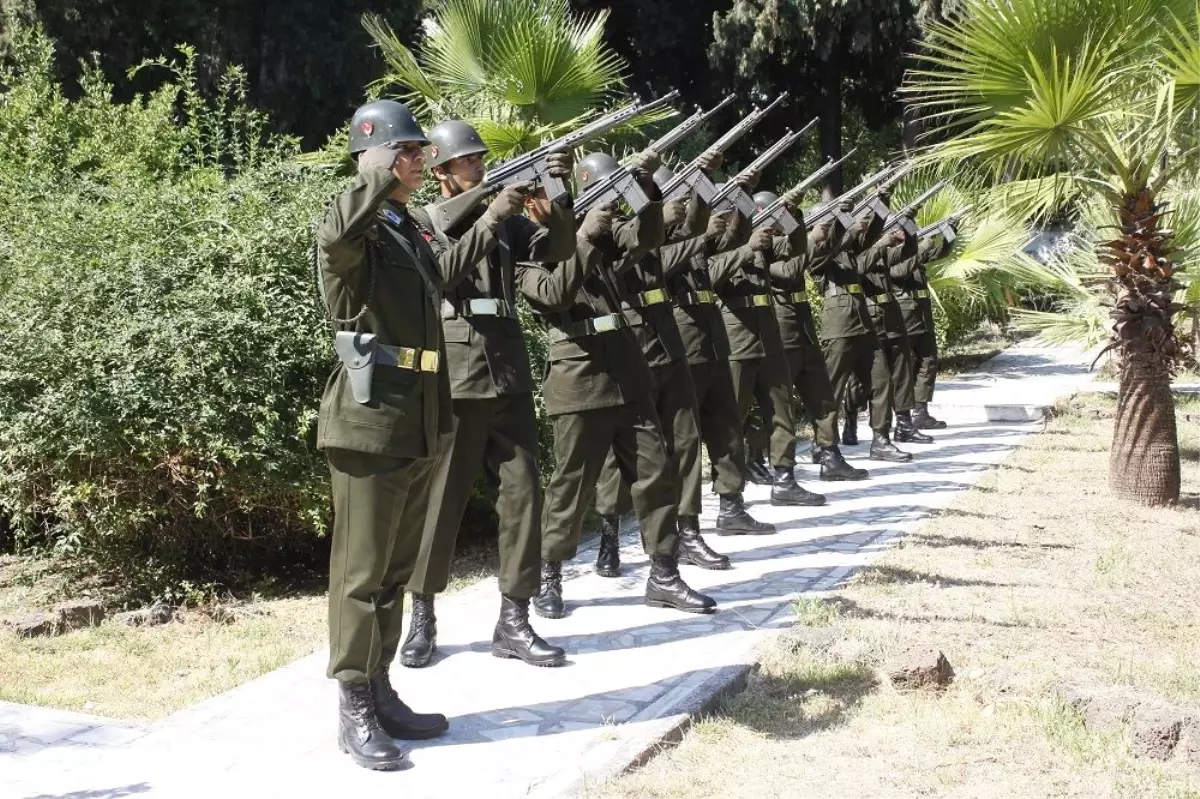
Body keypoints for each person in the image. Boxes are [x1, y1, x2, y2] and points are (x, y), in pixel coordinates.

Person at [314, 100, 530, 770]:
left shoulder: (404, 228)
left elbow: (443, 273)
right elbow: (335, 236)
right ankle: (352, 703)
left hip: (416, 416)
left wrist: (494, 216)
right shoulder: (351, 224)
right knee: (360, 571)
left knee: (393, 571)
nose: (420, 160)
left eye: (416, 151)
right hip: (369, 417)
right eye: (407, 151)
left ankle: (380, 689)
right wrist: (376, 173)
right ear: (374, 153)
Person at [400, 120, 576, 670]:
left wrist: (557, 203)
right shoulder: (426, 221)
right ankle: (422, 613)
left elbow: (557, 254)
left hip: (508, 370)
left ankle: (514, 619)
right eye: (468, 160)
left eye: (481, 158)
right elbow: (442, 276)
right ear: (443, 170)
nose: (478, 165)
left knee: (524, 494)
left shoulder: (505, 222)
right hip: (455, 372)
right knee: (441, 500)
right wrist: (495, 211)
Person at [516, 149, 717, 619]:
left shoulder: (613, 240)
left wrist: (642, 189)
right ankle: (549, 576)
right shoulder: (533, 248)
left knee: (656, 473)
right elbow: (553, 293)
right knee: (571, 485)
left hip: (629, 372)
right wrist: (584, 235)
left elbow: (649, 237)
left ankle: (664, 573)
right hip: (579, 378)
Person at [591, 154, 773, 578]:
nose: (678, 206)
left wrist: (725, 187)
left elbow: (711, 239)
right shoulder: (620, 235)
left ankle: (688, 529)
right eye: (666, 198)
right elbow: (650, 256)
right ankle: (609, 534)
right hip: (634, 344)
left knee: (687, 440)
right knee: (623, 453)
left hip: (671, 343)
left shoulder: (675, 232)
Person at [708, 209, 827, 506]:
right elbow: (711, 276)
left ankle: (785, 479)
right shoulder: (713, 245)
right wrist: (747, 249)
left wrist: (794, 214)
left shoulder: (764, 245)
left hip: (769, 336)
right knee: (732, 418)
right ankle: (728, 493)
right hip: (737, 338)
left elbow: (795, 248)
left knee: (781, 411)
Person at [749, 192, 868, 482]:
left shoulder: (783, 244)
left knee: (823, 397)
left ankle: (830, 455)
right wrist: (814, 236)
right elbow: (791, 270)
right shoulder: (758, 250)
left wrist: (827, 225)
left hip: (802, 330)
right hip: (781, 333)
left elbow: (818, 249)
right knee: (778, 406)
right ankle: (754, 458)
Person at [812, 196, 913, 463]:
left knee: (882, 381)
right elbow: (828, 252)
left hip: (863, 322)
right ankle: (823, 444)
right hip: (839, 325)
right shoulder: (818, 249)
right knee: (832, 390)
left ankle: (881, 440)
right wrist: (846, 228)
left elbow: (872, 236)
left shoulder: (848, 247)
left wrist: (882, 199)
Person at [860, 219, 933, 446]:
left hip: (893, 317)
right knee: (875, 381)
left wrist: (910, 228)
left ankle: (904, 424)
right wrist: (882, 243)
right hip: (872, 320)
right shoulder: (859, 253)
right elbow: (894, 271)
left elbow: (908, 252)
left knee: (902, 374)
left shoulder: (885, 251)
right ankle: (848, 428)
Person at [893, 225, 957, 429]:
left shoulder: (914, 250)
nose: (907, 232)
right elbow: (900, 272)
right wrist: (927, 241)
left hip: (922, 312)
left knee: (928, 360)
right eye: (902, 228)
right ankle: (903, 415)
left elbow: (939, 252)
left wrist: (950, 234)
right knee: (904, 366)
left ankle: (921, 411)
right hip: (904, 314)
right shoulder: (889, 253)